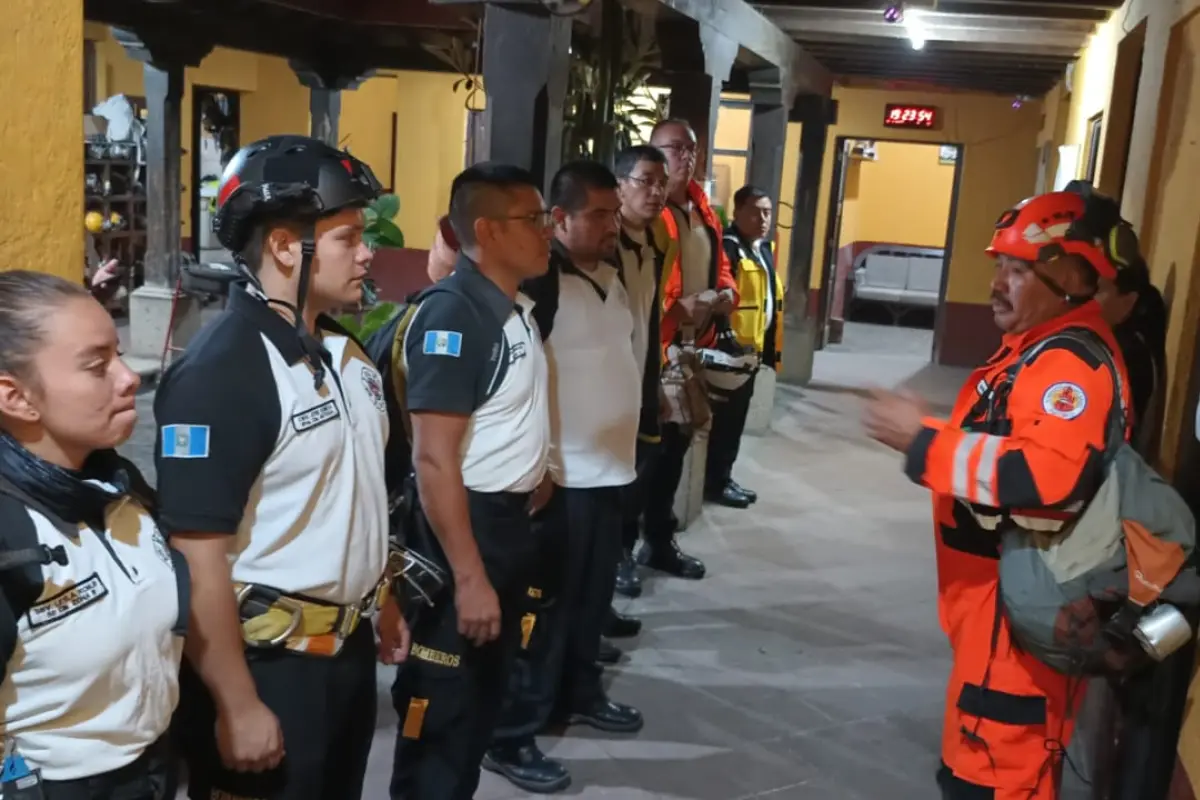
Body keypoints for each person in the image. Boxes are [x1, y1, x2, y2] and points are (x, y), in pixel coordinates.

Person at [155, 135, 409, 800]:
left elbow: (350, 497)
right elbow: (197, 557)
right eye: (348, 236)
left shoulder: (341, 355)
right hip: (268, 669)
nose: (367, 253)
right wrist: (237, 705)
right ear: (284, 247)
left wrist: (379, 598)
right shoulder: (224, 373)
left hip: (345, 659)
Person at [863, 189, 1135, 800]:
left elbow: (1047, 478)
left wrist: (921, 442)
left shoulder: (1068, 364)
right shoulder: (1033, 353)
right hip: (994, 619)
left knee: (993, 779)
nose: (998, 283)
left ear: (1070, 278)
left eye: (1018, 270)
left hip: (1018, 630)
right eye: (1000, 266)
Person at [388, 162, 552, 800]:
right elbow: (433, 460)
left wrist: (536, 474)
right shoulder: (455, 317)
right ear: (484, 229)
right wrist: (469, 575)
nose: (547, 231)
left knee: (479, 706)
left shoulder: (511, 310)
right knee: (443, 719)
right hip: (462, 531)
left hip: (504, 523)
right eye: (532, 220)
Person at [485, 161, 644, 793]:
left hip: (610, 474)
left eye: (614, 212)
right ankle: (512, 735)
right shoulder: (539, 287)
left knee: (590, 604)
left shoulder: (612, 274)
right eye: (600, 214)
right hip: (562, 480)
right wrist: (541, 464)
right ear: (560, 220)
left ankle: (579, 693)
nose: (613, 224)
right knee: (542, 617)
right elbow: (519, 381)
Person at [0, 271, 184, 798]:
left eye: (119, 355)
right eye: (96, 365)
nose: (129, 378)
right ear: (15, 397)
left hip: (149, 772)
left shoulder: (121, 488)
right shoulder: (11, 534)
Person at [636, 118, 739, 581]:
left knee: (674, 454)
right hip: (653, 351)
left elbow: (720, 266)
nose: (685, 157)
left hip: (691, 349)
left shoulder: (701, 208)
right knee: (644, 457)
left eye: (691, 149)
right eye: (674, 148)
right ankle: (623, 550)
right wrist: (679, 311)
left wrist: (725, 293)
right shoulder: (643, 218)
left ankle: (659, 541)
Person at [608, 145, 672, 603]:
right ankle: (610, 567)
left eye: (661, 183)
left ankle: (622, 556)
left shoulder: (655, 242)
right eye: (644, 181)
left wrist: (656, 381)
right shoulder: (604, 247)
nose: (655, 192)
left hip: (641, 383)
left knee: (635, 480)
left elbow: (648, 317)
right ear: (619, 186)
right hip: (607, 391)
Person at [709, 184, 784, 508]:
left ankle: (724, 476)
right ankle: (715, 483)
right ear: (737, 212)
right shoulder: (728, 249)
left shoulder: (762, 249)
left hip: (751, 352)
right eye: (755, 211)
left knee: (736, 421)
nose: (763, 218)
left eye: (767, 212)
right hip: (730, 354)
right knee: (723, 422)